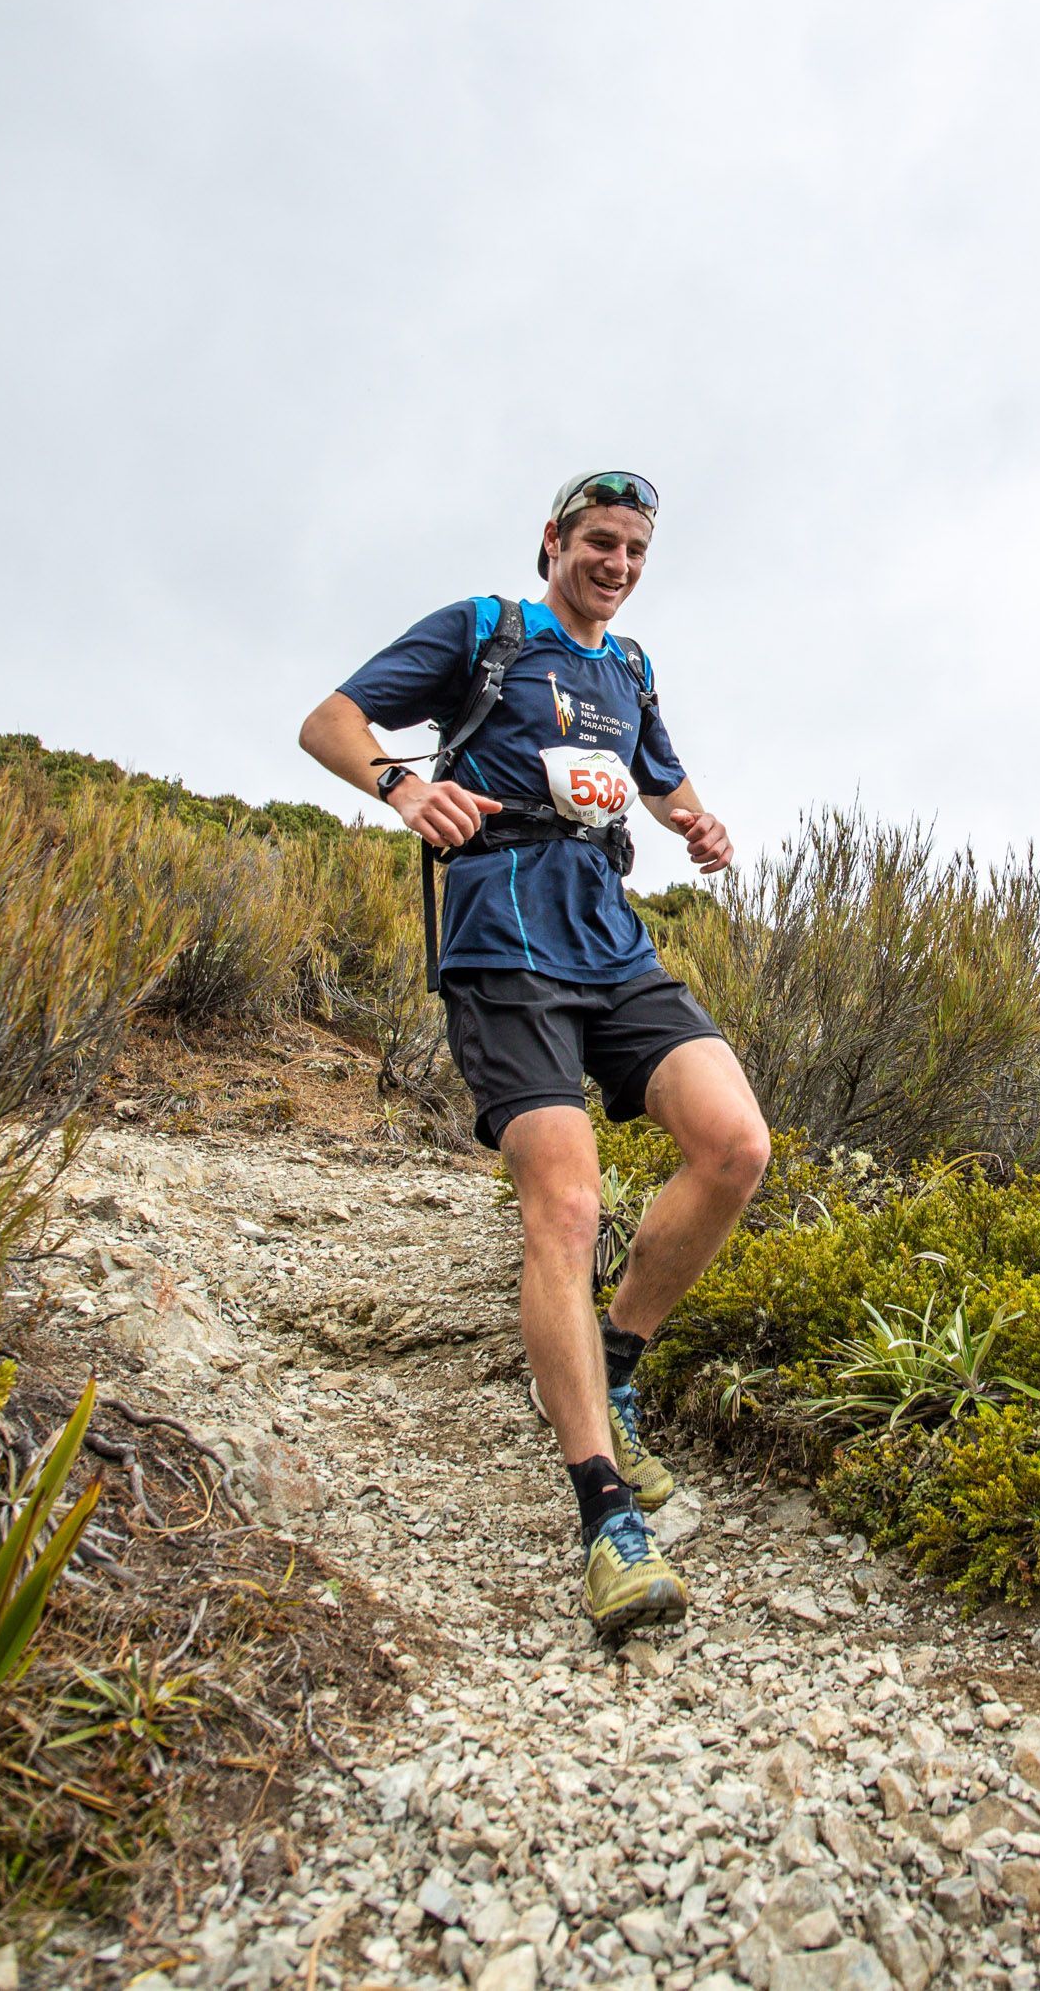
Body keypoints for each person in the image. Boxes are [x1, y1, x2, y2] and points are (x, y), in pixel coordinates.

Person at [299, 471, 770, 1637]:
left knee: (735, 1145)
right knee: (564, 1209)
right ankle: (605, 1513)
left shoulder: (632, 669)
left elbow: (657, 779)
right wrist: (405, 786)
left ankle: (614, 1362)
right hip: (502, 947)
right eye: (597, 542)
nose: (615, 562)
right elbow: (330, 722)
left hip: (610, 943)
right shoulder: (485, 631)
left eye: (633, 549)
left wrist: (695, 821)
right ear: (552, 542)